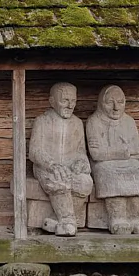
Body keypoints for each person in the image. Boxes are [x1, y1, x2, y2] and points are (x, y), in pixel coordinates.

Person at [86, 84, 139, 234]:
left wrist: (114, 152)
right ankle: (117, 218)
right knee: (111, 176)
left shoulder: (129, 121)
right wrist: (124, 152)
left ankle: (136, 219)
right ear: (101, 103)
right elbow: (96, 155)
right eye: (110, 102)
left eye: (121, 102)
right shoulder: (94, 121)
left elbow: (138, 151)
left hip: (128, 163)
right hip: (103, 165)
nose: (116, 107)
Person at [28, 82, 93, 236]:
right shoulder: (42, 121)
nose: (70, 105)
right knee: (59, 181)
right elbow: (34, 150)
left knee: (85, 182)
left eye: (73, 101)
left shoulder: (77, 123)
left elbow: (81, 151)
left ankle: (55, 220)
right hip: (46, 166)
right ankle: (68, 221)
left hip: (70, 166)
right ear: (52, 101)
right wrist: (52, 164)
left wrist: (81, 163)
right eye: (65, 100)